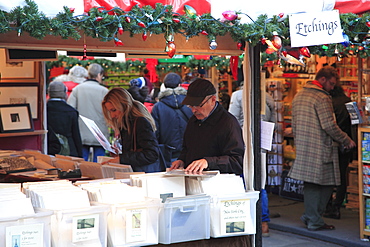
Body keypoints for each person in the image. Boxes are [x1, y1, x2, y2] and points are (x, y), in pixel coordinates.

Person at [288, 66, 356, 231]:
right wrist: (346, 140)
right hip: (321, 148)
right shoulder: (322, 98)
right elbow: (329, 126)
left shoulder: (299, 95)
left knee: (312, 184)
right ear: (323, 80)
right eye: (331, 84)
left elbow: (295, 124)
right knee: (328, 183)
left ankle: (311, 217)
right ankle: (314, 219)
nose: (332, 88)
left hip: (304, 146)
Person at [229, 85, 277, 237]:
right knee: (260, 183)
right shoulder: (267, 97)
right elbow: (273, 122)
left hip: (242, 145)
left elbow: (232, 122)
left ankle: (244, 220)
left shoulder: (237, 95)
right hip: (262, 146)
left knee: (244, 182)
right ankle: (264, 224)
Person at [170, 78, 244, 175]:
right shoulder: (193, 120)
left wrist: (208, 162)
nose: (193, 110)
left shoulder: (228, 123)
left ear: (212, 100)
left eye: (198, 105)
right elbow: (187, 149)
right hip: (194, 181)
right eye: (191, 106)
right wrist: (182, 160)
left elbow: (237, 161)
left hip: (218, 185)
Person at [101, 87, 160, 172]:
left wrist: (121, 159)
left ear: (124, 105)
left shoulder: (140, 122)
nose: (112, 115)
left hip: (142, 174)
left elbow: (151, 154)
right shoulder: (126, 123)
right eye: (110, 111)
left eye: (114, 110)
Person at [67, 63, 109, 162]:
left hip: (81, 131)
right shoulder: (104, 91)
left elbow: (71, 109)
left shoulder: (77, 89)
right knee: (99, 162)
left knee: (82, 161)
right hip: (100, 132)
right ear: (99, 75)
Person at [323, 83, 353, 219]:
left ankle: (328, 205)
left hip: (331, 143)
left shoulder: (328, 102)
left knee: (329, 175)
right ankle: (337, 206)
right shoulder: (348, 101)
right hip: (346, 143)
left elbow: (329, 126)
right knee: (341, 176)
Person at [151, 73, 193, 161]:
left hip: (168, 154)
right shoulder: (190, 104)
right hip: (190, 152)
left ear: (164, 86)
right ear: (179, 85)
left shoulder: (158, 107)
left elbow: (155, 133)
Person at [47, 80, 83, 157]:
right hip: (69, 150)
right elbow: (76, 135)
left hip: (49, 149)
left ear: (49, 93)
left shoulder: (43, 110)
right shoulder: (71, 111)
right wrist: (80, 155)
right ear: (64, 94)